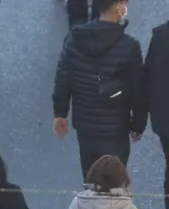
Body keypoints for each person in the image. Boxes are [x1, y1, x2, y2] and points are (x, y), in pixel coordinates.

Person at [54, 0, 147, 174]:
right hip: (116, 129)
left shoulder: (74, 38)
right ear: (119, 8)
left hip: (85, 127)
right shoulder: (129, 46)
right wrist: (138, 125)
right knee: (114, 183)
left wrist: (60, 113)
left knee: (90, 181)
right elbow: (138, 91)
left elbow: (63, 77)